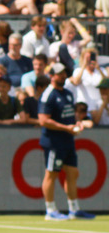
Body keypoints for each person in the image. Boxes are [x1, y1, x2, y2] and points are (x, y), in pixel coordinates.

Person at [40, 63, 96, 220]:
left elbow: (69, 116)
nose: (63, 76)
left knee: (72, 173)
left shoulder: (68, 93)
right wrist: (66, 128)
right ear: (52, 76)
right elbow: (43, 120)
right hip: (54, 141)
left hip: (67, 140)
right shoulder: (48, 95)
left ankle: (74, 209)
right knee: (51, 174)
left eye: (64, 73)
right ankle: (50, 210)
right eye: (60, 74)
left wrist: (77, 125)